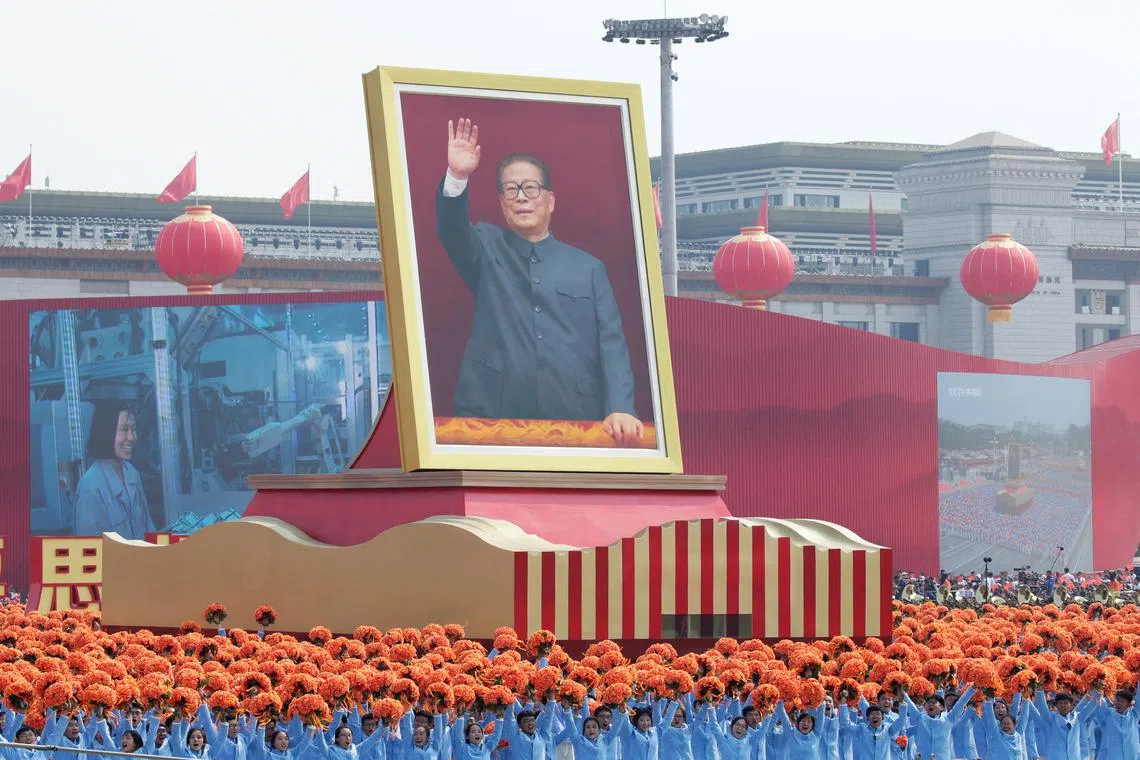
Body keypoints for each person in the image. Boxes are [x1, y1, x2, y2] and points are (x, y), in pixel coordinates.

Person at [434, 117, 644, 446]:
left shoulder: (588, 269)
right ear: (503, 204)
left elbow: (612, 345)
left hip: (575, 424)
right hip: (491, 422)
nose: (521, 197)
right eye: (511, 190)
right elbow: (452, 232)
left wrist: (620, 407)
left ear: (550, 201)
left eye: (531, 188)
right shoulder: (487, 248)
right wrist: (458, 176)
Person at [73, 402, 155, 538]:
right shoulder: (91, 487)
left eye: (133, 429)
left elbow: (148, 527)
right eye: (124, 429)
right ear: (107, 433)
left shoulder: (131, 473)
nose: (131, 437)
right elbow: (91, 552)